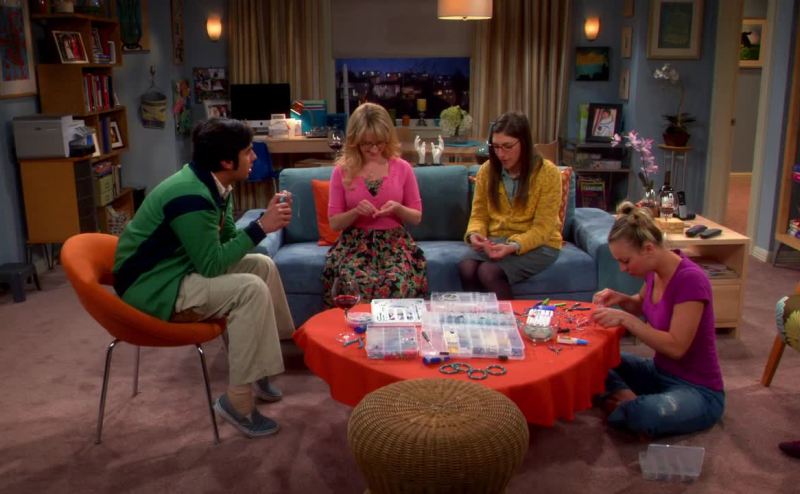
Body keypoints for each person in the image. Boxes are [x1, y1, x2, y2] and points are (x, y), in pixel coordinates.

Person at [113, 118, 295, 438]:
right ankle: (237, 402)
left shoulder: (217, 185)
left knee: (261, 265)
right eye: (248, 151)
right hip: (154, 285)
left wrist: (262, 223)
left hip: (178, 268)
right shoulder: (191, 196)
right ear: (227, 161)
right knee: (250, 289)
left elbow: (227, 242)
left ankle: (260, 366)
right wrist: (260, 227)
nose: (254, 157)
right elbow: (212, 265)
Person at [591, 201, 725, 438]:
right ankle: (624, 398)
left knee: (644, 414)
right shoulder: (655, 273)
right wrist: (620, 298)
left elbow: (676, 347)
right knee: (592, 359)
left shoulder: (691, 280)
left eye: (625, 261)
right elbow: (640, 304)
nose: (622, 269)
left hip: (697, 389)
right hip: (659, 372)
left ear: (648, 249)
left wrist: (625, 320)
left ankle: (625, 403)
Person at [321, 102, 427, 303]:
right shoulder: (341, 171)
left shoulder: (403, 168)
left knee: (395, 283)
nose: (374, 149)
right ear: (355, 141)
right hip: (355, 245)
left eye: (380, 142)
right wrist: (355, 212)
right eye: (367, 144)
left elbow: (416, 217)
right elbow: (334, 223)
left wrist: (398, 209)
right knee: (353, 283)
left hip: (394, 244)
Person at [458, 111, 562, 300]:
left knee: (488, 272)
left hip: (540, 244)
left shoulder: (548, 173)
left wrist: (513, 246)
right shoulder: (487, 171)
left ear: (524, 142)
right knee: (467, 267)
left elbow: (543, 228)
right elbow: (479, 215)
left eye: (507, 146)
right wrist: (475, 235)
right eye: (496, 147)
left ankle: (509, 319)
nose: (501, 154)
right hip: (498, 239)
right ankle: (476, 318)